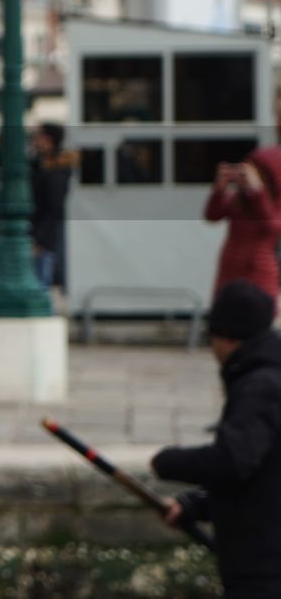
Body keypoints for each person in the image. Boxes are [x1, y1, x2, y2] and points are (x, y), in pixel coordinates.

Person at [151, 280, 281, 598]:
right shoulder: (264, 376)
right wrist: (196, 505)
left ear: (226, 338)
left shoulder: (260, 386)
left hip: (265, 565)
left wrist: (167, 462)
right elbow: (263, 472)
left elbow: (232, 460)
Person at [204, 146, 281, 298]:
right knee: (227, 317)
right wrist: (219, 189)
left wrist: (257, 191)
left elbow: (271, 226)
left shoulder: (272, 202)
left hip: (258, 275)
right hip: (230, 272)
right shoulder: (237, 200)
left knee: (256, 318)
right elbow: (212, 215)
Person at [31, 122, 73, 289]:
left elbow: (54, 206)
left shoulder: (55, 167)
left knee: (42, 283)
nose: (35, 140)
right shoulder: (43, 163)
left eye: (38, 136)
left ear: (48, 139)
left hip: (45, 236)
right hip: (44, 234)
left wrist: (41, 241)